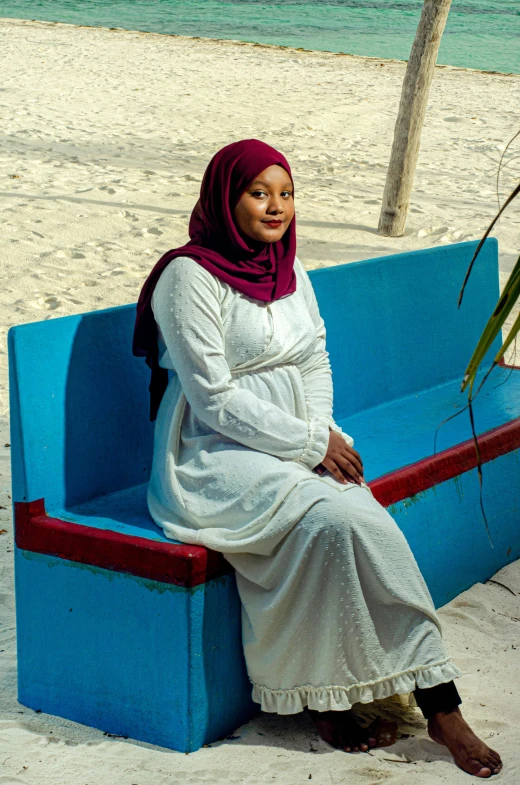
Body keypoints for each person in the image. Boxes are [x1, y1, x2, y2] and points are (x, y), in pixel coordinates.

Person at [133, 139, 502, 777]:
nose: (277, 207)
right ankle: (342, 697)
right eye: (258, 193)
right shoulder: (187, 277)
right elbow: (213, 398)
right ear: (226, 196)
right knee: (338, 521)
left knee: (361, 520)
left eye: (286, 193)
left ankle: (431, 700)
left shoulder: (289, 267)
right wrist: (309, 445)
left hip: (296, 438)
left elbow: (313, 357)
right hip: (212, 456)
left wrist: (325, 431)